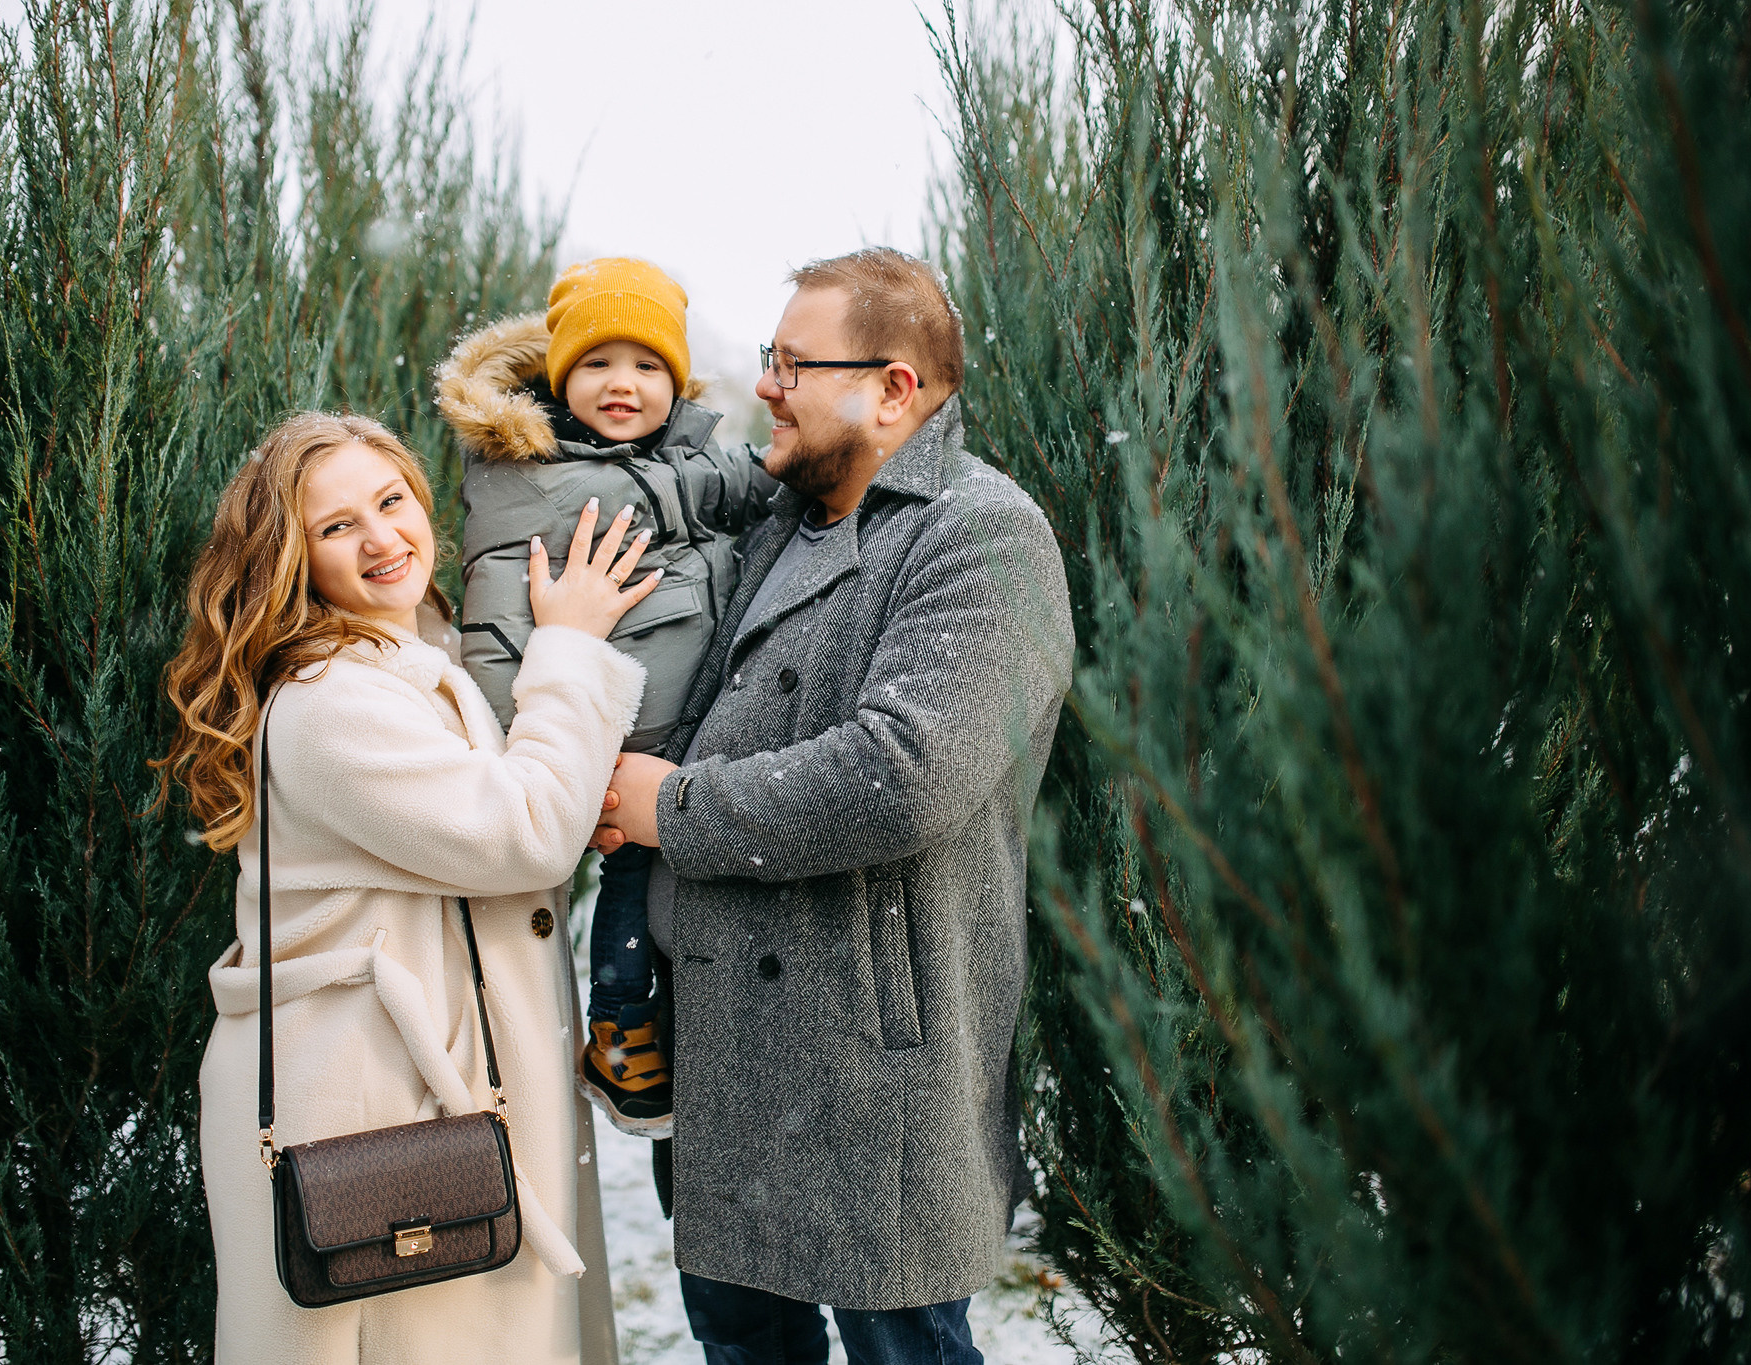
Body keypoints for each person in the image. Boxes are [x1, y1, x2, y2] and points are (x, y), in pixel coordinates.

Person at [593, 248, 1075, 1365]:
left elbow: (904, 774)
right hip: (722, 1057)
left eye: (791, 364)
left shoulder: (981, 533)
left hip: (867, 1073)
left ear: (893, 388)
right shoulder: (772, 520)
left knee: (902, 1348)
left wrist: (673, 810)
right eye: (769, 360)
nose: (764, 386)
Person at [157, 410, 661, 1364]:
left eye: (392, 501)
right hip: (374, 1116)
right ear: (289, 557)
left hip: (417, 1093)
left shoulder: (414, 655)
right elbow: (521, 836)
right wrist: (572, 647)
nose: (383, 538)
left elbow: (498, 829)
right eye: (337, 525)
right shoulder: (329, 701)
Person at [437, 258, 773, 1138]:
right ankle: (618, 1022)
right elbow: (698, 492)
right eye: (597, 363)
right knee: (628, 869)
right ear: (558, 378)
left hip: (668, 722)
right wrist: (779, 469)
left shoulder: (664, 457)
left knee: (650, 869)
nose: (623, 383)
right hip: (600, 730)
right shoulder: (532, 467)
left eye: (647, 365)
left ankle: (645, 1024)